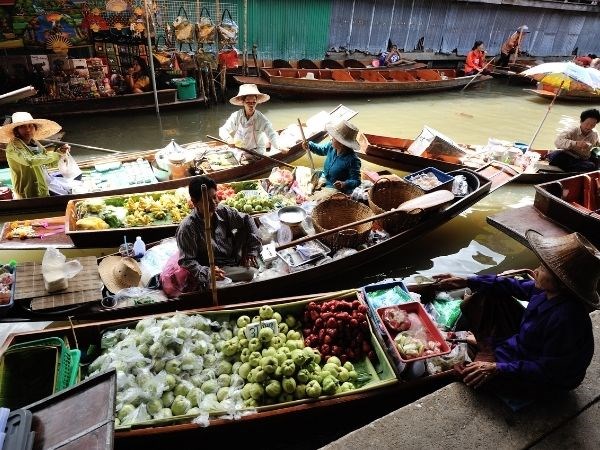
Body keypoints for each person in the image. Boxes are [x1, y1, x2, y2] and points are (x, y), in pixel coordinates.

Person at [432, 230, 597, 398]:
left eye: (543, 269)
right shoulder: (546, 291)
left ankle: (491, 353)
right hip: (526, 347)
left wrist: (497, 368)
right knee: (490, 291)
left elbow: (547, 370)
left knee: (465, 373)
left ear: (561, 283)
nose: (536, 271)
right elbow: (510, 285)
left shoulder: (566, 319)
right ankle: (490, 347)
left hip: (546, 379)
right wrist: (466, 280)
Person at [175, 176, 261, 288]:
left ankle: (244, 261)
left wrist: (251, 251)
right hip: (217, 267)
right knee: (252, 273)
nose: (214, 202)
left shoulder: (222, 211)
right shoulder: (187, 228)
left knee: (253, 232)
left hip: (233, 255)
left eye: (214, 197)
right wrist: (207, 272)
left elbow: (247, 219)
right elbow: (187, 261)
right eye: (207, 200)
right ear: (194, 202)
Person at [0, 111, 69, 199]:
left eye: (30, 126)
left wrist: (61, 152)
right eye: (23, 127)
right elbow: (30, 160)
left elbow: (48, 163)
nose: (28, 130)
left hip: (43, 187)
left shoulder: (35, 143)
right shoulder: (13, 146)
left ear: (35, 128)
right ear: (16, 130)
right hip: (27, 192)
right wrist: (56, 155)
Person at [219, 83, 284, 154]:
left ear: (257, 102)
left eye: (254, 102)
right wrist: (228, 139)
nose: (251, 105)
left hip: (256, 151)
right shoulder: (236, 116)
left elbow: (271, 134)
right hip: (238, 148)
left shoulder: (261, 118)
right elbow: (223, 130)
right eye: (248, 102)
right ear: (243, 102)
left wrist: (279, 147)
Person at [302, 120, 361, 198]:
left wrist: (344, 183)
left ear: (341, 143)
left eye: (334, 137)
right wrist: (309, 145)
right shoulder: (331, 146)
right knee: (300, 171)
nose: (331, 139)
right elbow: (320, 149)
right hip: (324, 177)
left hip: (334, 188)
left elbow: (356, 181)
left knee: (321, 200)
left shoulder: (352, 160)